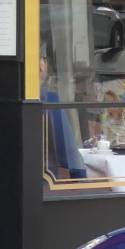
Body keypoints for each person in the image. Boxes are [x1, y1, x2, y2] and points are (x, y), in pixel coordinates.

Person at [40, 47, 86, 179]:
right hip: (43, 184)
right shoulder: (49, 100)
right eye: (44, 59)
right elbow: (70, 158)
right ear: (40, 65)